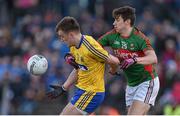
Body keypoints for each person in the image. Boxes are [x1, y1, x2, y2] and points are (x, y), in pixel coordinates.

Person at [46, 16, 120, 115]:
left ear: (71, 34)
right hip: (82, 91)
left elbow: (115, 61)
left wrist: (113, 70)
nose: (61, 39)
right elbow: (78, 69)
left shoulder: (90, 47)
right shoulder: (73, 47)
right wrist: (64, 87)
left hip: (92, 93)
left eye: (62, 36)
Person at [97, 6, 160, 115]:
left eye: (117, 20)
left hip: (147, 82)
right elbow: (94, 46)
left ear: (127, 22)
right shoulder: (112, 35)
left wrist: (134, 60)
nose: (113, 23)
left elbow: (153, 58)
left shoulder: (140, 38)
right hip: (131, 85)